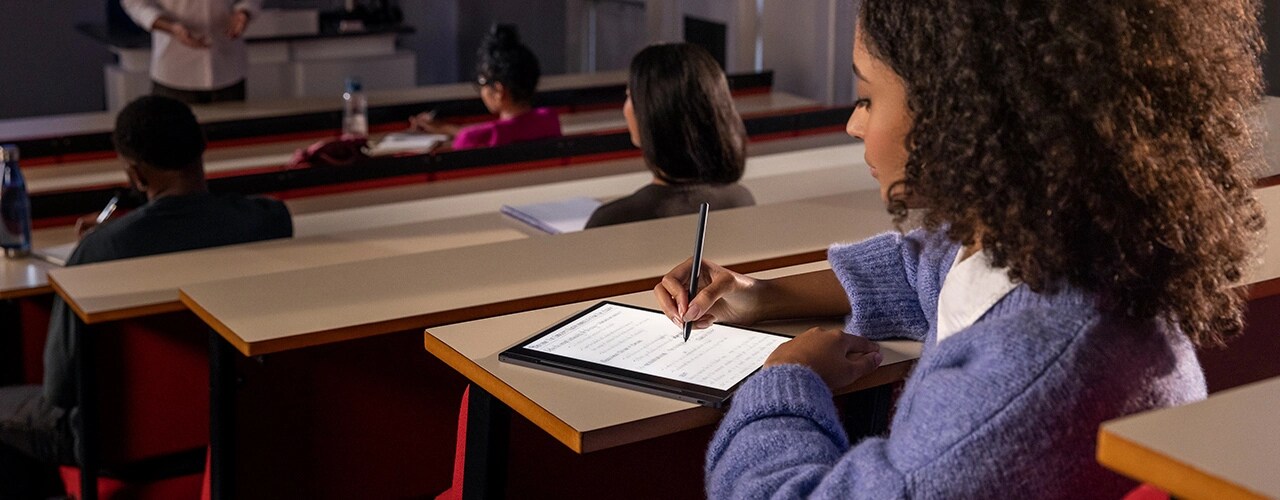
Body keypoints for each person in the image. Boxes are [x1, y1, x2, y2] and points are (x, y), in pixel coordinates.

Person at [654, 0, 1263, 497]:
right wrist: (761, 295)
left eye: (867, 97)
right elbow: (931, 265)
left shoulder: (1004, 397)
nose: (854, 124)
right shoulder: (1076, 249)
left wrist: (786, 382)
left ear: (962, 110)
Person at [0, 95, 293, 497]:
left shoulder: (98, 253)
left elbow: (59, 390)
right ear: (203, 142)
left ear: (136, 175)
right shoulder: (269, 221)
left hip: (112, 443)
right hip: (230, 424)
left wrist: (103, 243)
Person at [584, 43, 754, 229]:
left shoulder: (613, 220)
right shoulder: (741, 200)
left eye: (630, 96)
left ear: (654, 113)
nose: (625, 108)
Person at [408, 24, 562, 150]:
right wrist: (443, 128)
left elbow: (478, 136)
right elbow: (509, 129)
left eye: (482, 83)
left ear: (499, 91)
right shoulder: (549, 119)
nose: (482, 91)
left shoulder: (474, 139)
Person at [121, 0, 261, 104]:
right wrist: (169, 27)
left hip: (228, 68)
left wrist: (244, 12)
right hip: (173, 73)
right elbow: (135, 3)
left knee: (231, 139)